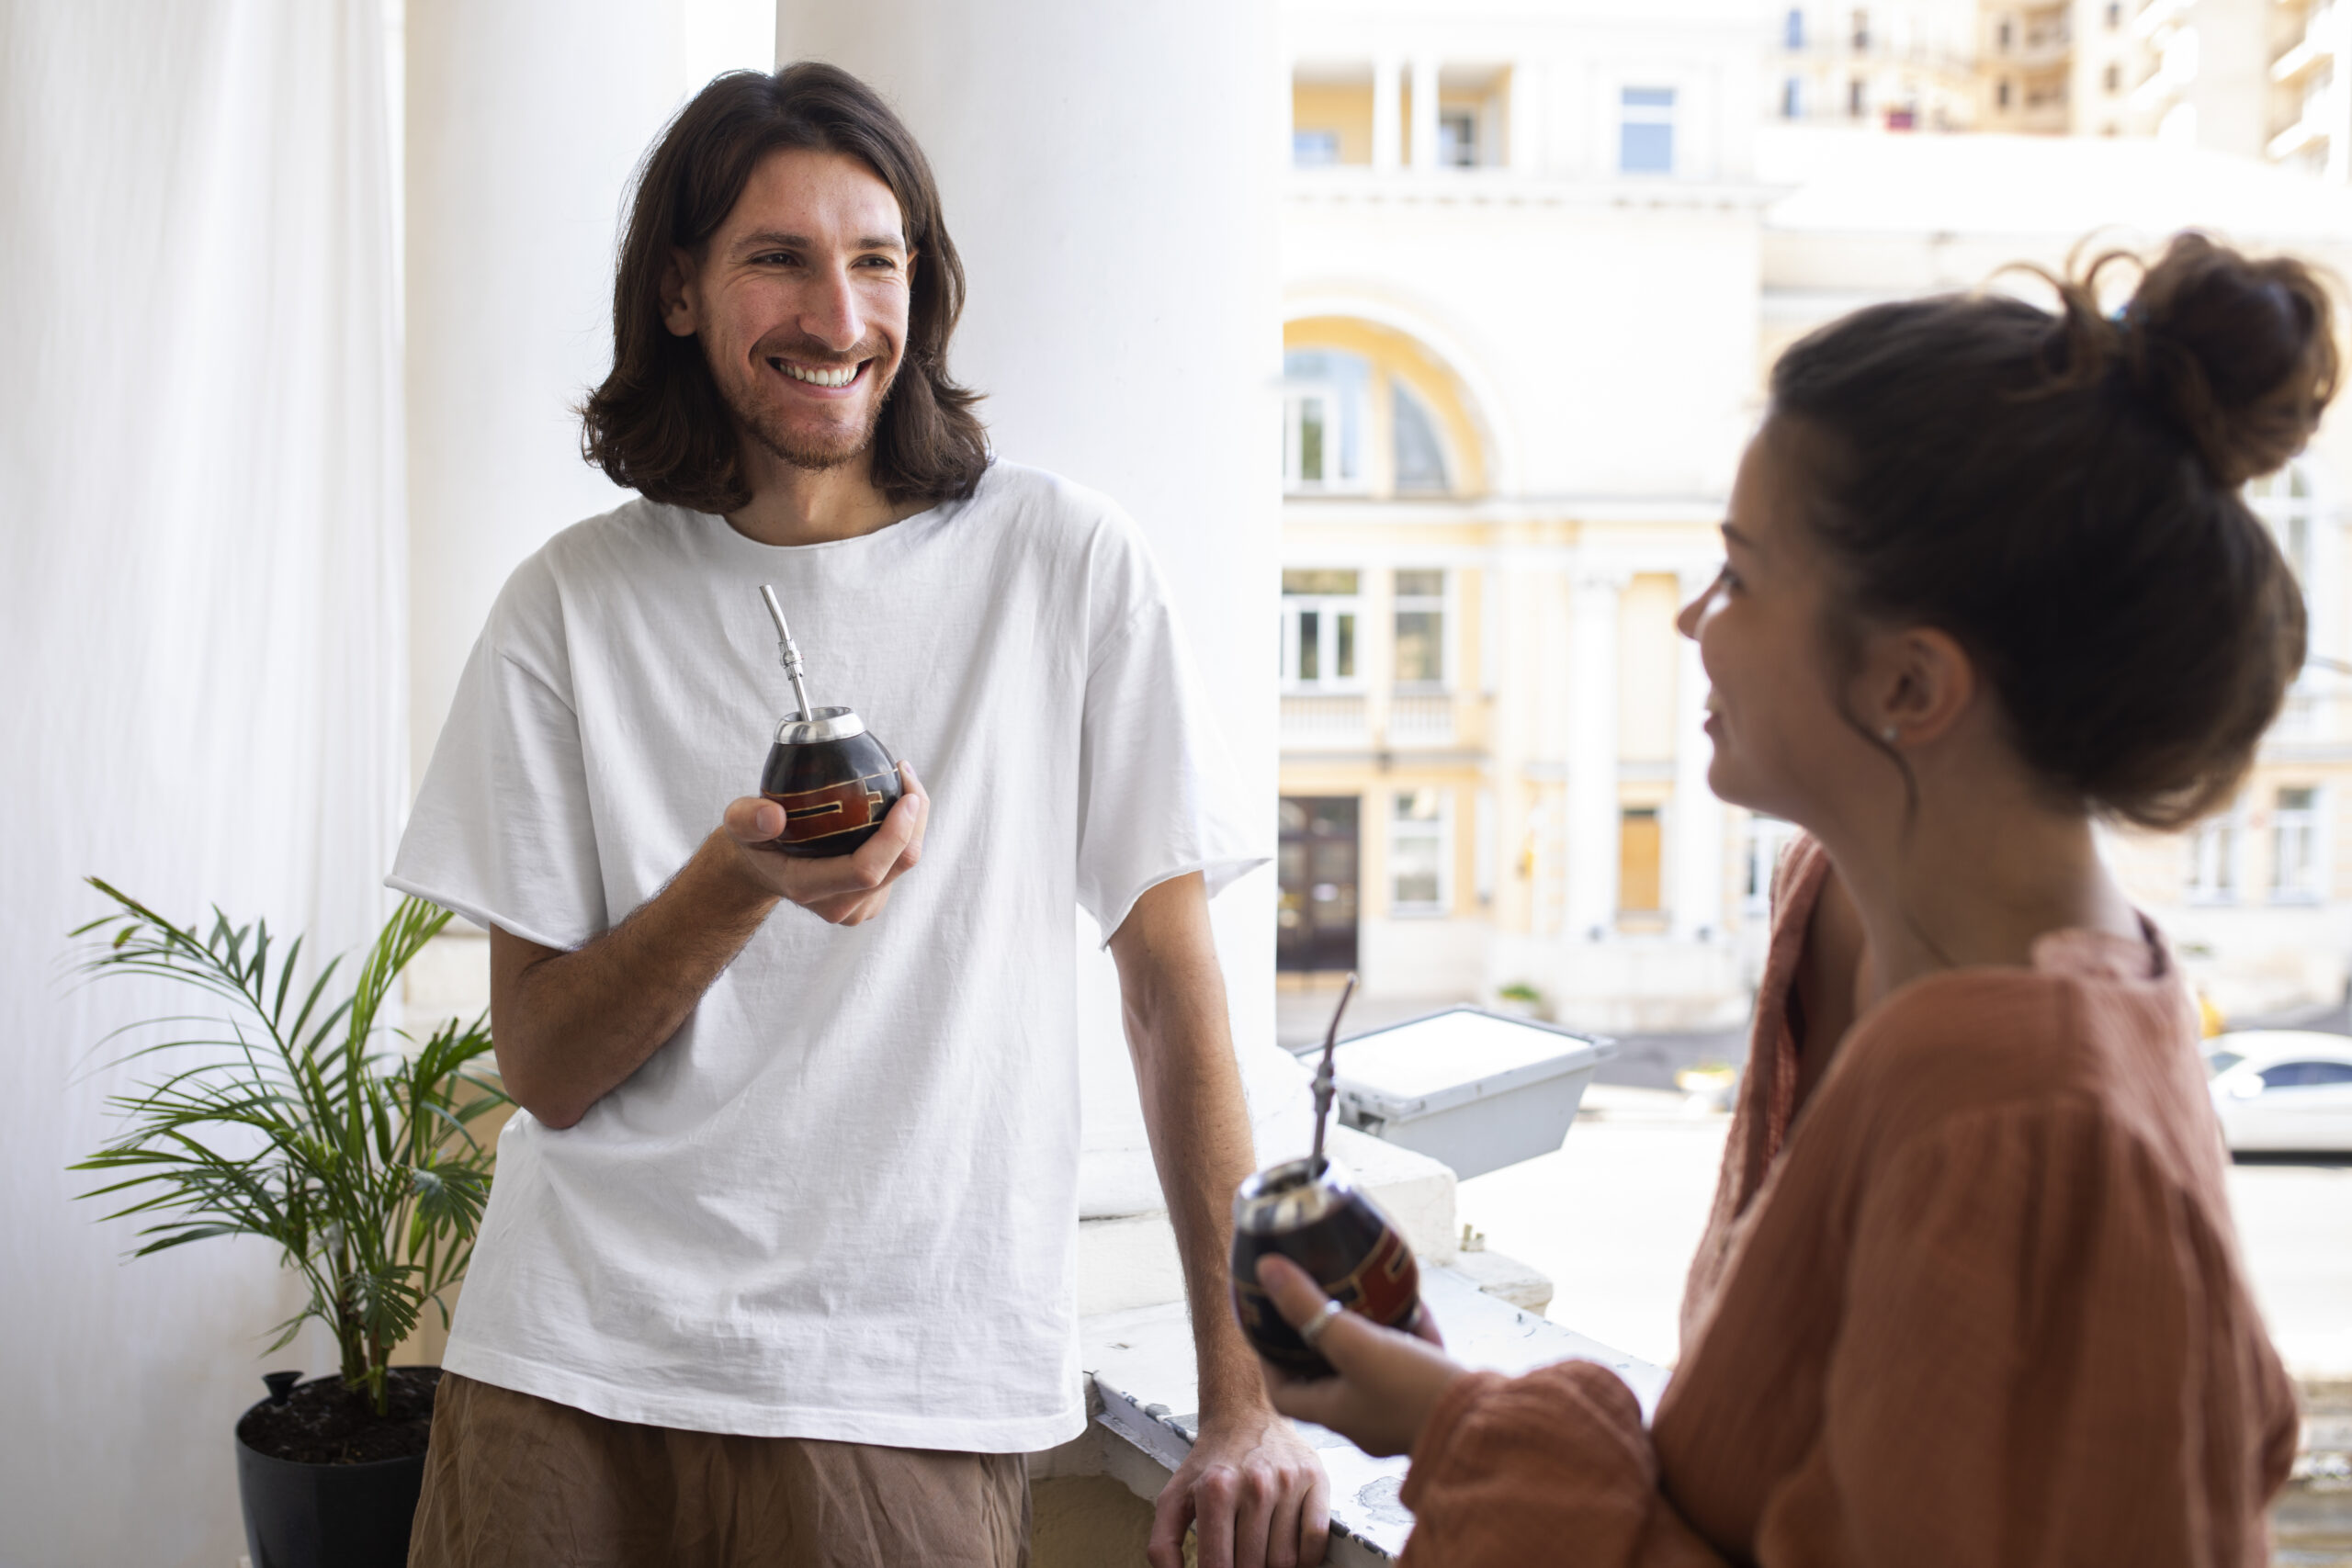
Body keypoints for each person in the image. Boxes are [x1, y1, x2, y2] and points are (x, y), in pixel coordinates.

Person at [1250, 231, 2336, 1564]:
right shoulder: (1839, 917)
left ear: (1909, 688)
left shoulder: (2020, 1124)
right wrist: (1459, 1417)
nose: (1690, 618)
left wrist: (1477, 1438)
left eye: (1742, 575)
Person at [390, 63, 1324, 1568]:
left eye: (875, 260)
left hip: (902, 1381)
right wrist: (738, 883)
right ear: (682, 291)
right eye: (779, 259)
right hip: (564, 1368)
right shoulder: (567, 607)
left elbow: (1171, 999)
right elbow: (547, 1068)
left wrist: (1243, 1402)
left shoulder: (1063, 565)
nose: (837, 316)